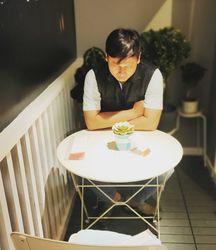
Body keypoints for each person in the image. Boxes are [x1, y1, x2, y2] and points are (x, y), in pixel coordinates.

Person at [82, 28, 164, 215]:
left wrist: (104, 119)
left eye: (127, 66)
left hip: (141, 136)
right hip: (101, 138)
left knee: (165, 169)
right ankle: (114, 199)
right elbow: (91, 123)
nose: (121, 72)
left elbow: (151, 124)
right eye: (114, 65)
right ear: (106, 57)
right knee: (85, 169)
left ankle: (135, 200)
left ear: (139, 58)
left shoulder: (153, 75)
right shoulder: (93, 76)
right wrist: (134, 112)